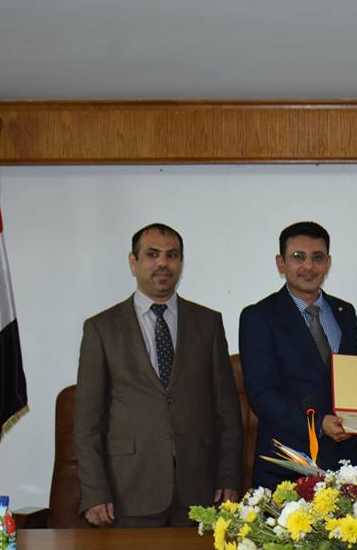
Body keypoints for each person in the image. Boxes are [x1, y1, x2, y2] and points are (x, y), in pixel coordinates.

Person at [74, 223, 243, 527]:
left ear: (181, 262)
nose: (163, 263)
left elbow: (227, 410)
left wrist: (229, 477)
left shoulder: (208, 323)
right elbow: (88, 421)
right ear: (133, 262)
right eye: (152, 254)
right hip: (129, 491)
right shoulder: (102, 328)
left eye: (172, 255)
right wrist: (94, 491)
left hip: (200, 491)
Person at [239, 221, 357, 488]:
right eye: (298, 257)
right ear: (281, 263)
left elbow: (355, 378)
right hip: (288, 465)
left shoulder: (345, 312)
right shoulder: (259, 316)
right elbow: (262, 394)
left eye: (317, 257)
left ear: (328, 263)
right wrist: (317, 424)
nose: (308, 266)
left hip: (346, 463)